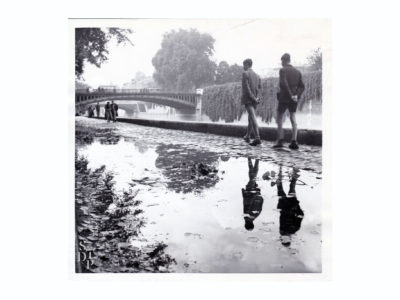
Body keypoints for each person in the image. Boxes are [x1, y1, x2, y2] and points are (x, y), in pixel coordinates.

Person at [274, 53, 305, 150]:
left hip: (284, 98)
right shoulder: (298, 72)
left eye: (281, 61)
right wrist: (296, 95)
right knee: (293, 117)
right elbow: (302, 86)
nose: (281, 63)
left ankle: (280, 140)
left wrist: (290, 94)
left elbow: (284, 83)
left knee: (279, 117)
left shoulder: (283, 70)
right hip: (294, 99)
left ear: (284, 60)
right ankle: (294, 141)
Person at [276, 166, 304, 247]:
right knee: (292, 187)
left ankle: (280, 170)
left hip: (283, 205)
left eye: (282, 240)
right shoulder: (294, 229)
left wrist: (281, 209)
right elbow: (300, 216)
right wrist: (296, 206)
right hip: (292, 204)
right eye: (284, 241)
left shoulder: (281, 231)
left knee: (279, 187)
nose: (282, 239)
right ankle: (295, 172)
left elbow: (281, 218)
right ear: (289, 239)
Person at [241, 59, 262, 146]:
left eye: (244, 65)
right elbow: (260, 89)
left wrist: (253, 98)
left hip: (249, 99)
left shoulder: (245, 73)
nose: (243, 67)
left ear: (247, 65)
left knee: (252, 117)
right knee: (250, 118)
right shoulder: (257, 76)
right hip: (255, 100)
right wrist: (257, 99)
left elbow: (246, 89)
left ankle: (257, 138)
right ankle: (248, 136)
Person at [242, 158, 264, 231]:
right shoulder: (247, 216)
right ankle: (254, 158)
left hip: (254, 193)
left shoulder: (255, 216)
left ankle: (254, 159)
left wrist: (258, 194)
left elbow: (260, 204)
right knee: (252, 177)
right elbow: (246, 204)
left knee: (252, 177)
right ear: (246, 224)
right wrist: (244, 194)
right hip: (250, 193)